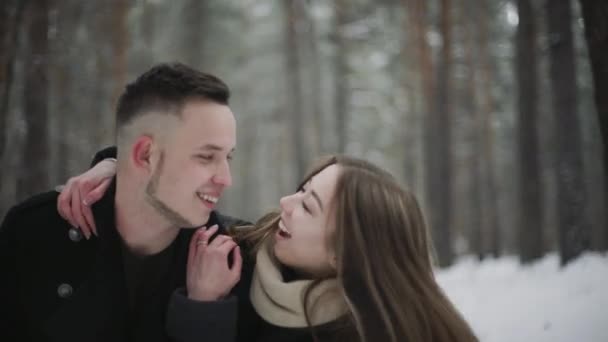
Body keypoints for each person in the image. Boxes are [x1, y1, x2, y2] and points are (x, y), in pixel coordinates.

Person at [61, 154, 479, 342]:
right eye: (301, 190)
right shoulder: (236, 250)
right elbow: (170, 200)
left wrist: (204, 311)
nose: (285, 203)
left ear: (345, 255)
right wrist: (119, 169)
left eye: (307, 206)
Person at [0, 62, 258, 342]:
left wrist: (204, 310)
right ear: (145, 155)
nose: (225, 179)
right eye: (206, 157)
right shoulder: (33, 233)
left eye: (228, 157)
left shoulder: (236, 263)